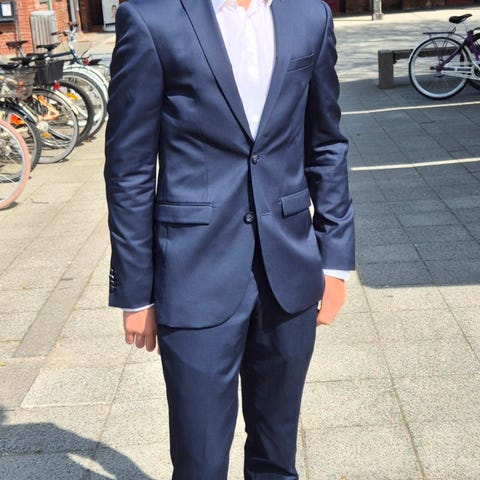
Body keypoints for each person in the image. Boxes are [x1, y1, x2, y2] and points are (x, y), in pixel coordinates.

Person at [104, 0, 355, 478]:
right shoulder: (152, 18)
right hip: (194, 275)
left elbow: (326, 145)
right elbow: (128, 169)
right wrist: (136, 292)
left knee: (277, 459)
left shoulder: (310, 16)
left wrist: (335, 261)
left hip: (289, 272)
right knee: (200, 462)